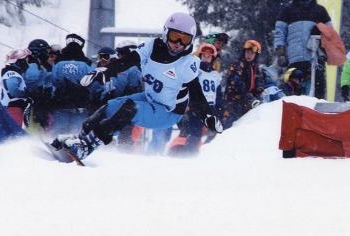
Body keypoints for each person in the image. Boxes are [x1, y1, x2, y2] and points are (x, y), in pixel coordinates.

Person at [51, 12, 223, 161]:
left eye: (184, 39)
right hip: (151, 98)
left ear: (190, 41)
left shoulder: (188, 63)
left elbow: (196, 92)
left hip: (168, 112)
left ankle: (87, 146)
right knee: (110, 106)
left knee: (128, 108)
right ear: (165, 33)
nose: (178, 43)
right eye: (174, 36)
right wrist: (105, 71)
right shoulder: (153, 46)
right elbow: (129, 60)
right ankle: (81, 138)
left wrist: (207, 115)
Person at [274, 0, 332, 99]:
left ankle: (318, 116)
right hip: (294, 59)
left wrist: (320, 32)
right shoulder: (288, 10)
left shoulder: (320, 10)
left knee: (318, 93)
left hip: (315, 58)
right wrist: (280, 52)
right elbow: (280, 32)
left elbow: (330, 33)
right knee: (294, 95)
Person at [170, 43, 224, 155]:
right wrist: (187, 104)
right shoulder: (195, 72)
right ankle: (188, 155)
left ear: (213, 58)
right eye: (204, 56)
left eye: (208, 56)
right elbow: (188, 89)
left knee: (214, 134)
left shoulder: (216, 75)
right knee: (195, 133)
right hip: (196, 107)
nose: (206, 58)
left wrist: (219, 109)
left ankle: (204, 154)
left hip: (211, 108)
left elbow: (218, 95)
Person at [49, 34, 94, 135]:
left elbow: (55, 81)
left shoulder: (58, 61)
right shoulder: (87, 62)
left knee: (59, 131)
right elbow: (92, 83)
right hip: (81, 102)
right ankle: (76, 147)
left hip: (61, 101)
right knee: (77, 132)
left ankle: (58, 145)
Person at [222, 39, 265, 129]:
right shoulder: (236, 65)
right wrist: (250, 98)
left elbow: (260, 87)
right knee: (227, 128)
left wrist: (257, 100)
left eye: (252, 53)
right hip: (233, 104)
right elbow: (237, 83)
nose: (249, 55)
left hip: (248, 105)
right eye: (247, 52)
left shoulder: (257, 69)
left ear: (256, 55)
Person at [24, 38, 54, 132]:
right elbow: (31, 81)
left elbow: (46, 82)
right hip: (33, 104)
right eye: (46, 51)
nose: (48, 54)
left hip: (38, 103)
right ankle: (31, 140)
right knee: (32, 125)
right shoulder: (33, 65)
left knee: (39, 125)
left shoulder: (39, 66)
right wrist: (37, 99)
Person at [0, 48, 32, 127]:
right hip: (13, 108)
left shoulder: (13, 73)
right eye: (26, 60)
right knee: (15, 132)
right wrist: (28, 94)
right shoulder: (12, 74)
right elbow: (13, 91)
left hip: (14, 108)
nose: (28, 63)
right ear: (20, 61)